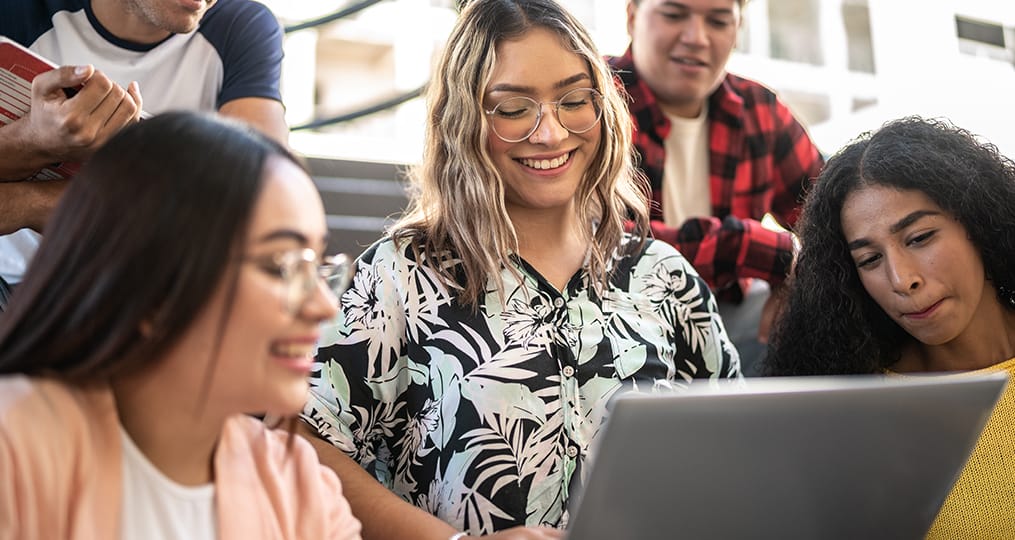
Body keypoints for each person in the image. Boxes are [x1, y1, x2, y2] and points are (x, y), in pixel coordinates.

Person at [297, 0, 741, 538]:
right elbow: (306, 443)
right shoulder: (399, 274)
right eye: (512, 110)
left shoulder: (664, 274)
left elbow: (736, 443)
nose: (551, 134)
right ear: (463, 121)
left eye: (574, 101)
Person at [0, 112, 361, 539]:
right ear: (151, 286)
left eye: (321, 267)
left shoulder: (302, 488)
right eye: (284, 267)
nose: (324, 306)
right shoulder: (15, 452)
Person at [764, 116, 1015, 538]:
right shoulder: (855, 410)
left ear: (978, 221)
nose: (902, 280)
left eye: (919, 238)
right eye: (869, 260)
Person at [0, 0, 288, 305]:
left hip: (152, 296)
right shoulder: (16, 10)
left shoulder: (239, 25)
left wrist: (28, 204)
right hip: (15, 283)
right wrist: (34, 140)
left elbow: (267, 201)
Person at [607, 0, 824, 374]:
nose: (696, 38)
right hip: (613, 318)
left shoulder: (760, 111)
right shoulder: (587, 98)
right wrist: (752, 248)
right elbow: (596, 238)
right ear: (631, 16)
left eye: (719, 20)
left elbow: (836, 216)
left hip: (728, 320)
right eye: (674, 15)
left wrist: (801, 271)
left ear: (738, 30)